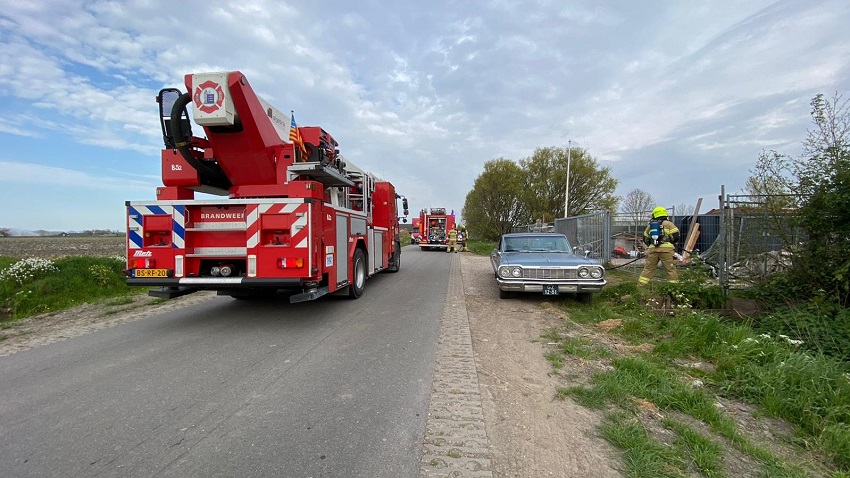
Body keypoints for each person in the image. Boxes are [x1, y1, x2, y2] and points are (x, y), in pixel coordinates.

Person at [639, 207, 680, 285]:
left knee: (648, 269)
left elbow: (645, 239)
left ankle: (641, 286)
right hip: (667, 251)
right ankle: (673, 287)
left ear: (654, 214)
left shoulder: (650, 226)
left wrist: (652, 245)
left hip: (653, 250)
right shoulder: (669, 224)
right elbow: (676, 236)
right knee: (670, 269)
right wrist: (670, 243)